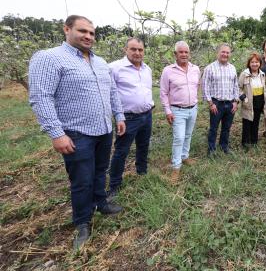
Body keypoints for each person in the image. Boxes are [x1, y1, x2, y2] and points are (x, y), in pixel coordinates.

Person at [28, 15, 126, 250]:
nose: (88, 36)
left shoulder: (101, 62)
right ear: (66, 29)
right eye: (83, 31)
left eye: (92, 33)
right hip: (76, 132)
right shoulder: (50, 58)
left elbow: (112, 92)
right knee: (81, 179)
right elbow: (41, 97)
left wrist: (119, 116)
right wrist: (56, 133)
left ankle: (101, 203)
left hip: (104, 129)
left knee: (100, 170)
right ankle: (83, 222)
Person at [108, 38, 154, 196]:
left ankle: (142, 172)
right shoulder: (114, 68)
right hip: (127, 118)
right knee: (121, 151)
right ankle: (114, 184)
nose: (137, 53)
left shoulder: (146, 69)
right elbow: (109, 94)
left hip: (147, 115)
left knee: (143, 146)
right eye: (133, 49)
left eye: (140, 50)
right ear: (125, 49)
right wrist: (117, 115)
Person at [160, 41, 201, 183]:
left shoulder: (195, 69)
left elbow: (197, 86)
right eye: (181, 52)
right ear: (175, 54)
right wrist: (167, 111)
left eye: (186, 52)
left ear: (189, 54)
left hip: (192, 108)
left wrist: (195, 101)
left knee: (188, 135)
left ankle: (185, 156)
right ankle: (176, 167)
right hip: (177, 110)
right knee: (179, 138)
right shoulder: (168, 71)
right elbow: (164, 93)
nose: (184, 54)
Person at [202, 43, 239, 155]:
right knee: (213, 128)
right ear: (218, 52)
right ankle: (211, 149)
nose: (225, 54)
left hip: (230, 103)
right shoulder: (210, 68)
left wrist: (236, 102)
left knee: (226, 128)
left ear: (230, 54)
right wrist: (210, 103)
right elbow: (204, 86)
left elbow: (235, 86)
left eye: (227, 52)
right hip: (216, 103)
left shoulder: (232, 68)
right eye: (223, 52)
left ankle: (224, 146)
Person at [238, 52, 266, 148]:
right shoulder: (244, 74)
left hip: (259, 101)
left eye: (257, 62)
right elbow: (238, 88)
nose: (255, 64)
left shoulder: (262, 74)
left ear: (260, 63)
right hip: (248, 101)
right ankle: (245, 142)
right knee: (247, 122)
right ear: (249, 63)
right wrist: (243, 97)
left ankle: (254, 140)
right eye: (252, 62)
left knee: (256, 121)